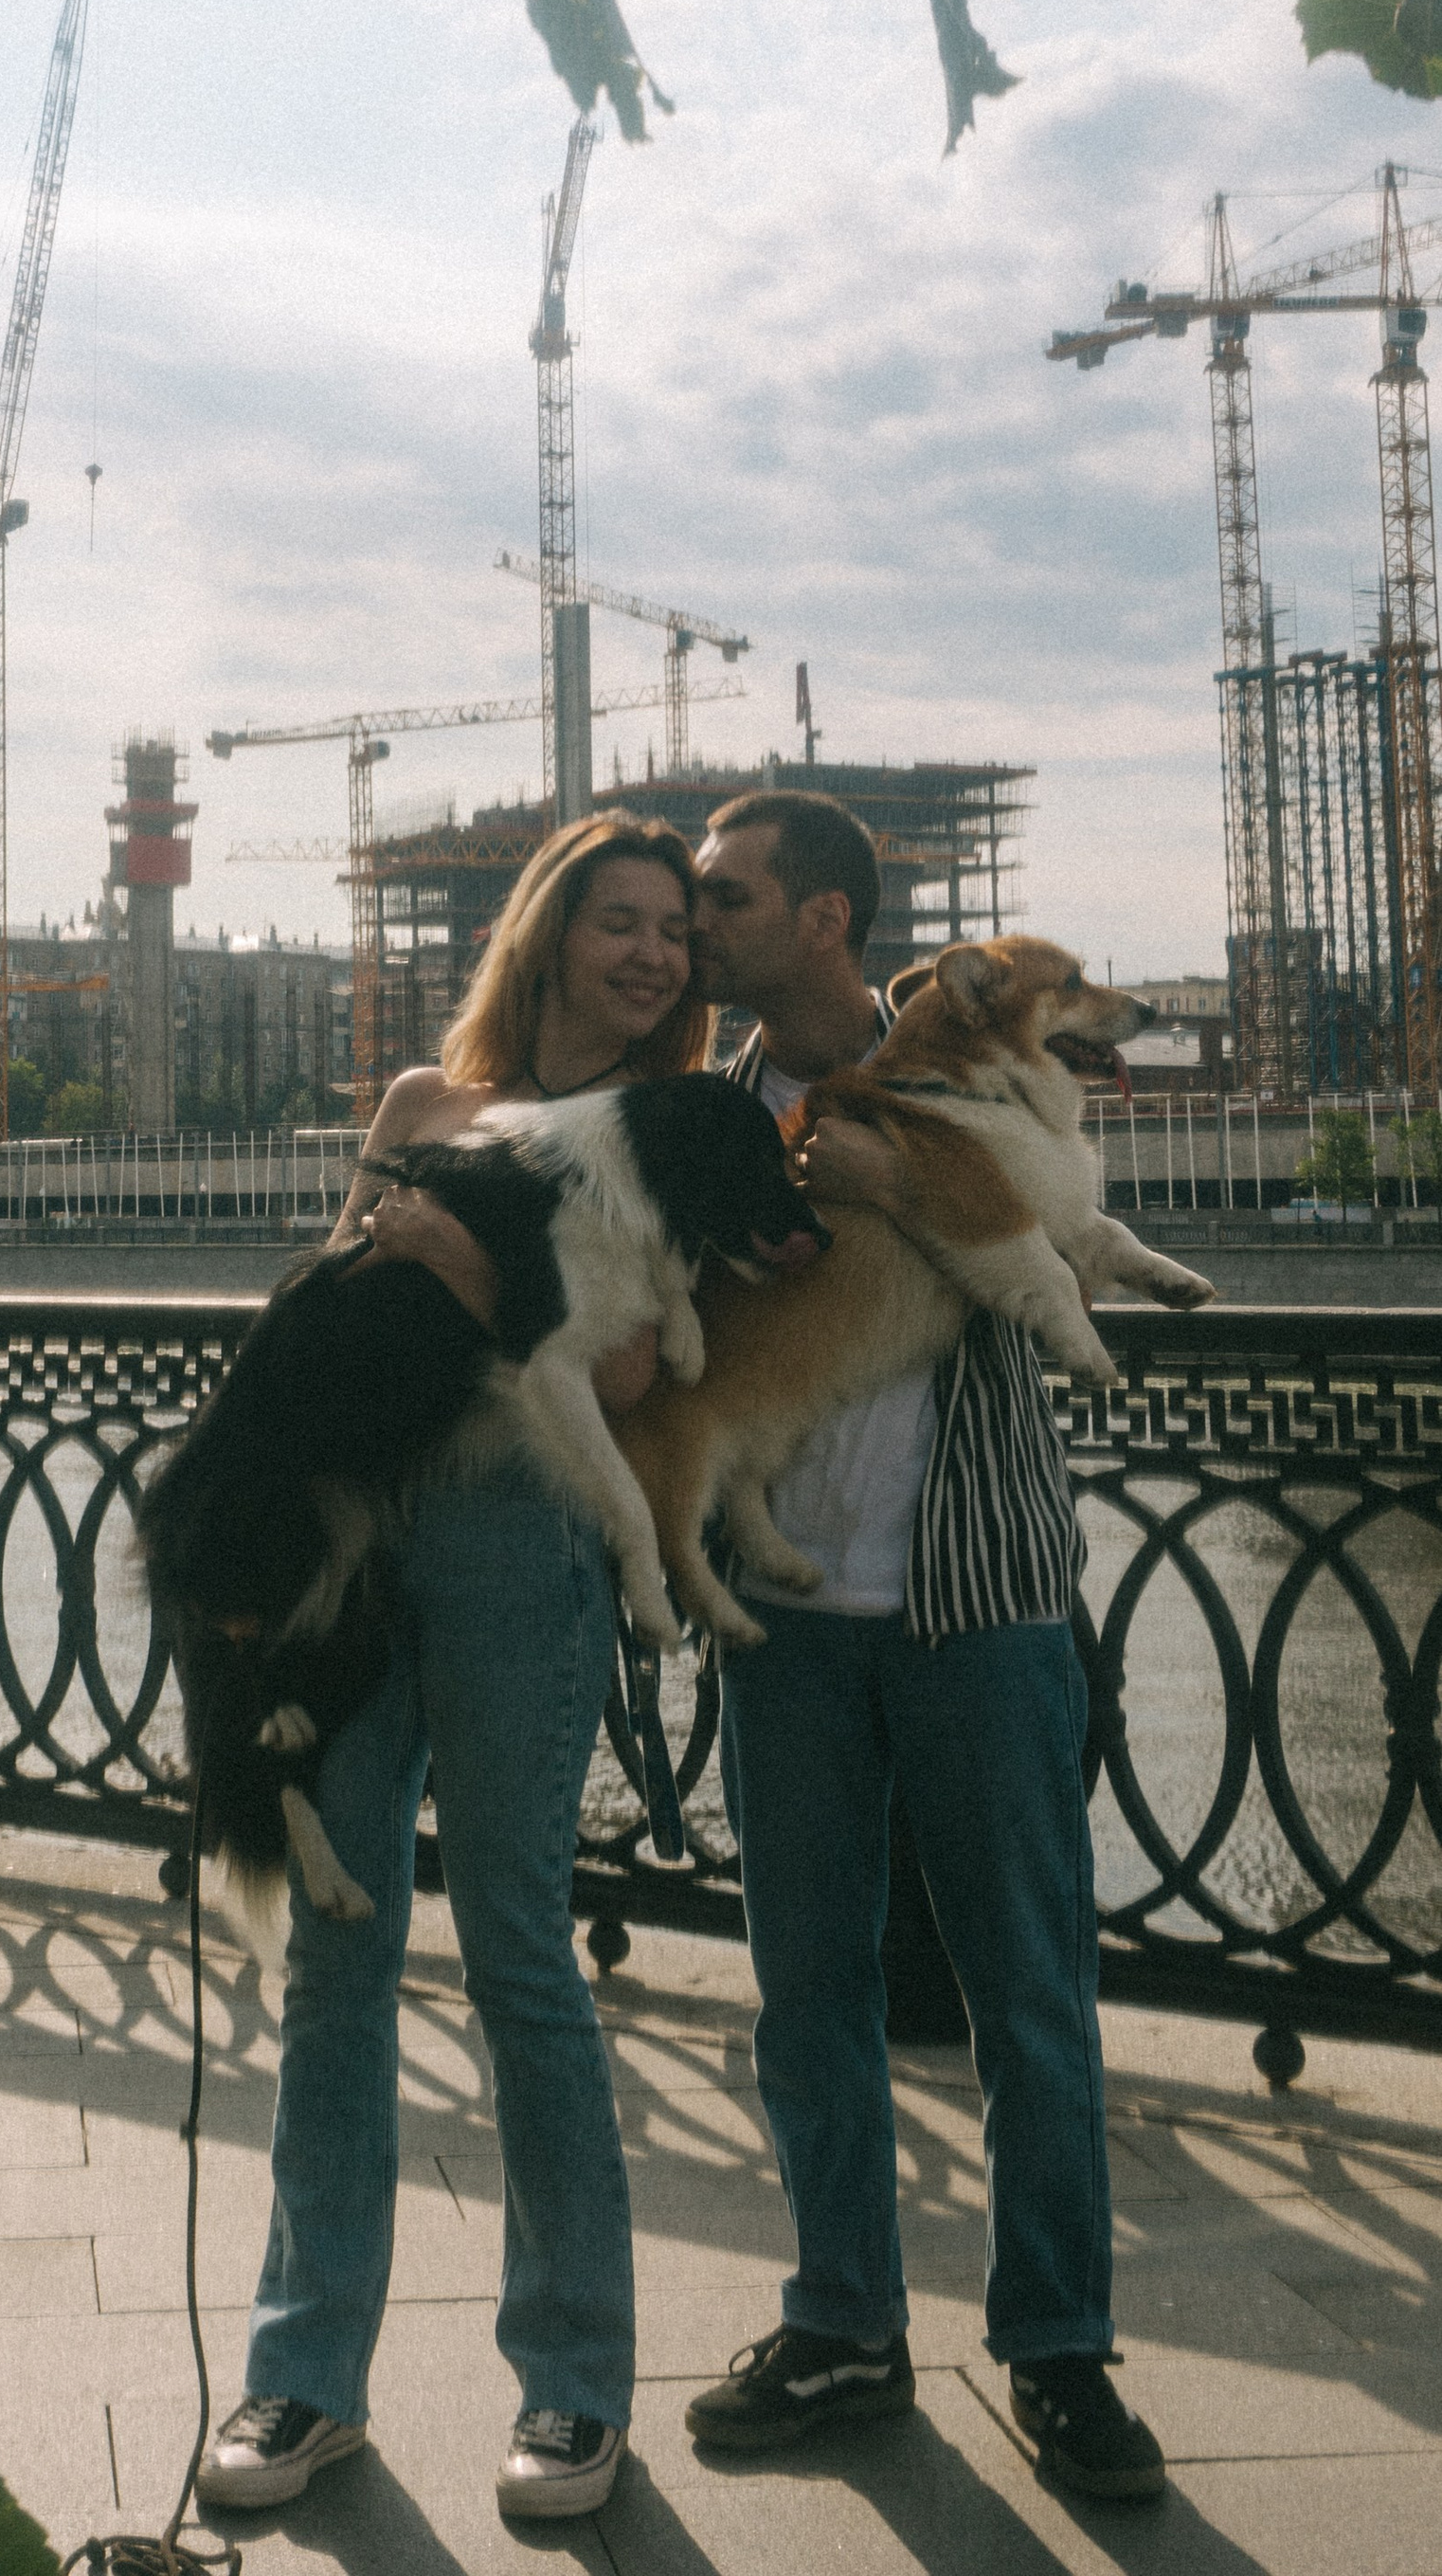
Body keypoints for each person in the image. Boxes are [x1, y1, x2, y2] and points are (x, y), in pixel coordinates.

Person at [197, 813, 709, 2524]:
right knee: (334, 1966)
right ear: (552, 934)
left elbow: (629, 1380)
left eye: (673, 934)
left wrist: (461, 1256)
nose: (650, 954)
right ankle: (300, 2377)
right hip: (361, 1543)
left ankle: (573, 2388)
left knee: (517, 1958)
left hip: (522, 1553)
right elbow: (345, 1313)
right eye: (619, 922)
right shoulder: (423, 1108)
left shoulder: (655, 1141)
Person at [680, 789, 1165, 2505]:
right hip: (790, 1612)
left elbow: (1074, 1276)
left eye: (727, 894)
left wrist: (901, 1179)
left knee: (1031, 1996)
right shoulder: (701, 1121)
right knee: (806, 1996)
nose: (697, 919)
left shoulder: (972, 1061)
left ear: (826, 920)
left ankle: (1059, 2356)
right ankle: (845, 2326)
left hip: (981, 1594)